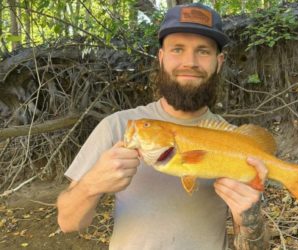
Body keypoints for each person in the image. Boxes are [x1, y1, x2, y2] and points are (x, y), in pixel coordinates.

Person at [57, 3, 269, 250]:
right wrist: (91, 185)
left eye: (202, 51)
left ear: (218, 62)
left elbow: (255, 247)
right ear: (161, 58)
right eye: (177, 49)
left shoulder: (235, 141)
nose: (189, 62)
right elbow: (68, 222)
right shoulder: (118, 127)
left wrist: (250, 217)